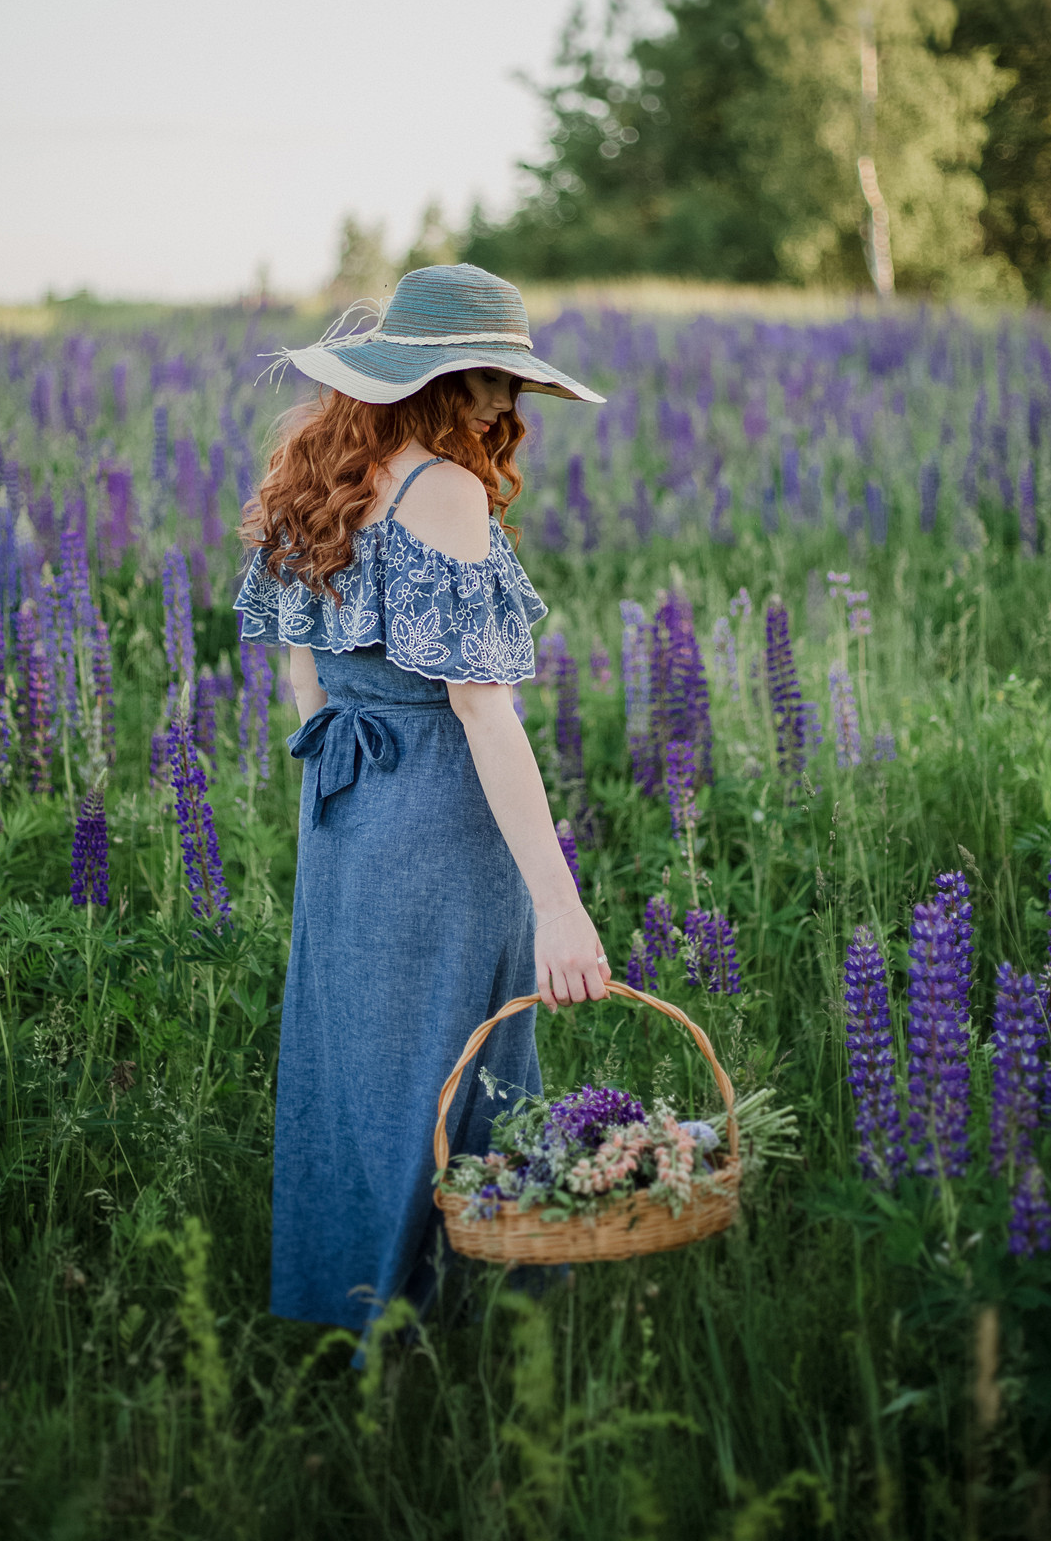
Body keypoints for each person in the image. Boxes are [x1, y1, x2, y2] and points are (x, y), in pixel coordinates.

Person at [235, 262, 611, 1331]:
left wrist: (349, 786)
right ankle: (462, 1326)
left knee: (361, 1071)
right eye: (494, 379)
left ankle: (350, 1315)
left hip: (345, 806)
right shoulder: (439, 489)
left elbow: (305, 676)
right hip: (437, 819)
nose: (506, 405)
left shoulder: (328, 472)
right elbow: (483, 713)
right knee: (460, 1072)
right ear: (443, 379)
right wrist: (558, 903)